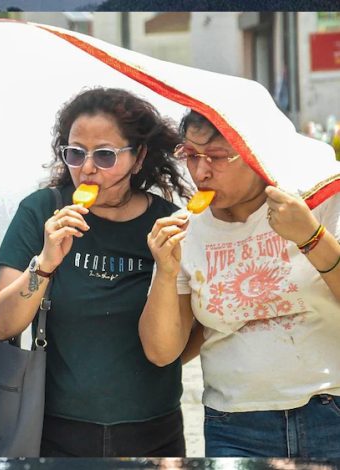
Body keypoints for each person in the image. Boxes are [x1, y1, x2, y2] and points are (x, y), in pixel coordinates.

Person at [0, 87, 193, 457]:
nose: (87, 168)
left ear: (138, 156)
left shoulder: (168, 225)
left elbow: (171, 349)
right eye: (76, 153)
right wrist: (45, 263)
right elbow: (2, 325)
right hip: (56, 433)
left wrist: (165, 269)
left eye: (105, 155)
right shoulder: (41, 212)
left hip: (153, 432)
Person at [140, 109, 340, 458]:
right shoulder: (186, 230)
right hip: (234, 424)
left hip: (330, 409)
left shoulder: (316, 202)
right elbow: (162, 352)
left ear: (255, 153)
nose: (200, 172)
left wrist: (311, 237)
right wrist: (166, 272)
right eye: (191, 155)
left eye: (216, 157)